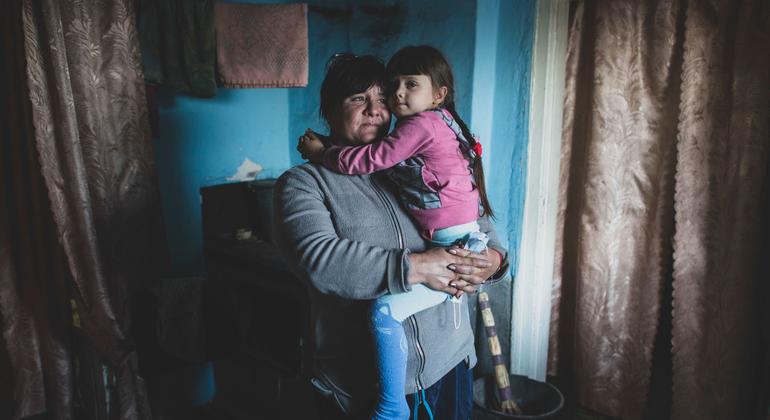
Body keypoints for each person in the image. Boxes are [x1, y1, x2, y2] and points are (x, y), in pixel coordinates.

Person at [273, 53, 509, 420]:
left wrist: (492, 262)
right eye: (357, 99)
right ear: (330, 110)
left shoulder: (415, 163)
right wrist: (418, 266)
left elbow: (483, 228)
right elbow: (320, 260)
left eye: (382, 100)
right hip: (363, 384)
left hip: (451, 364)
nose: (374, 110)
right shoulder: (304, 183)